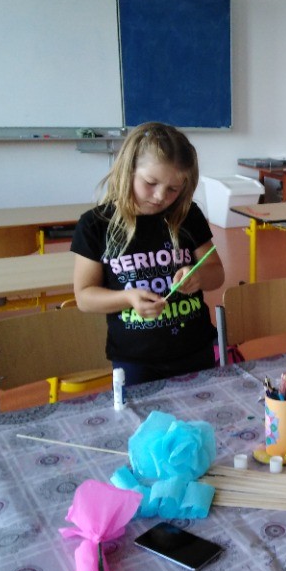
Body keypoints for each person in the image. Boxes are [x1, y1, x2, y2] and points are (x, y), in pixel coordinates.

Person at [71, 122, 225, 386]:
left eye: (173, 189)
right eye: (150, 183)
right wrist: (127, 298)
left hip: (195, 349)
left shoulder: (188, 216)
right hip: (135, 359)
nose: (160, 196)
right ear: (128, 169)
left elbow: (217, 274)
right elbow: (84, 297)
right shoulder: (95, 225)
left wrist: (198, 276)